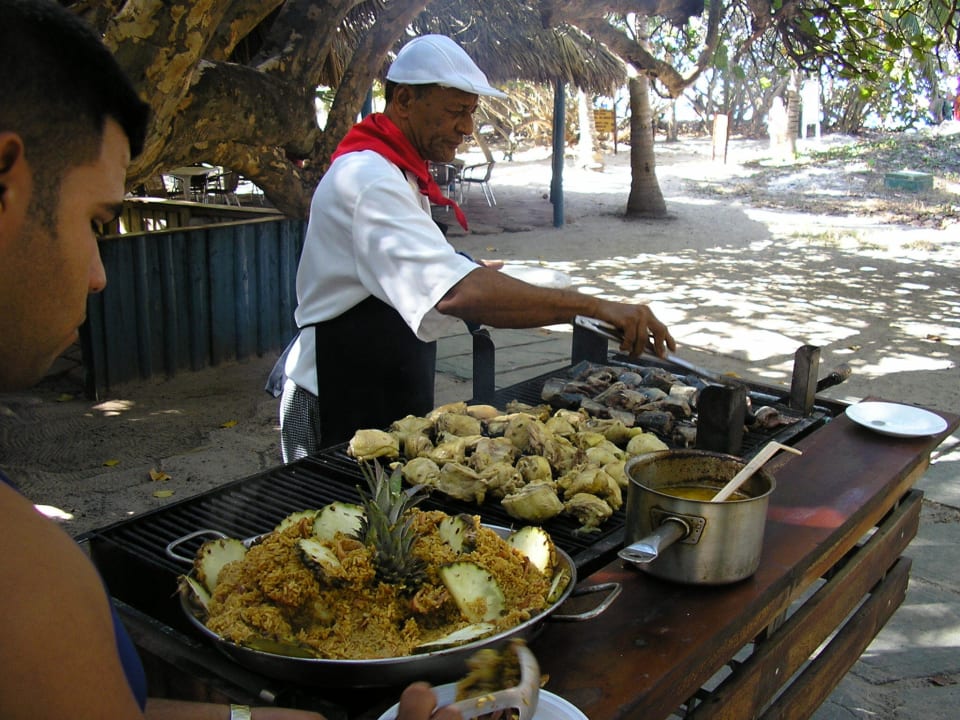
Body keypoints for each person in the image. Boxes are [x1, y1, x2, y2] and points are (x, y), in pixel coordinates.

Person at [0, 2, 460, 719]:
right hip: (329, 392)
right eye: (96, 223)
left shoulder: (403, 175)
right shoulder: (23, 578)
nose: (99, 275)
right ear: (6, 178)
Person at [280, 34, 676, 461]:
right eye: (456, 112)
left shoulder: (396, 170)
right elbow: (455, 294)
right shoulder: (369, 178)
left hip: (380, 384)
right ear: (405, 101)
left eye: (471, 112)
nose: (467, 129)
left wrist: (462, 265)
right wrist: (595, 307)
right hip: (336, 393)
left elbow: (399, 266)